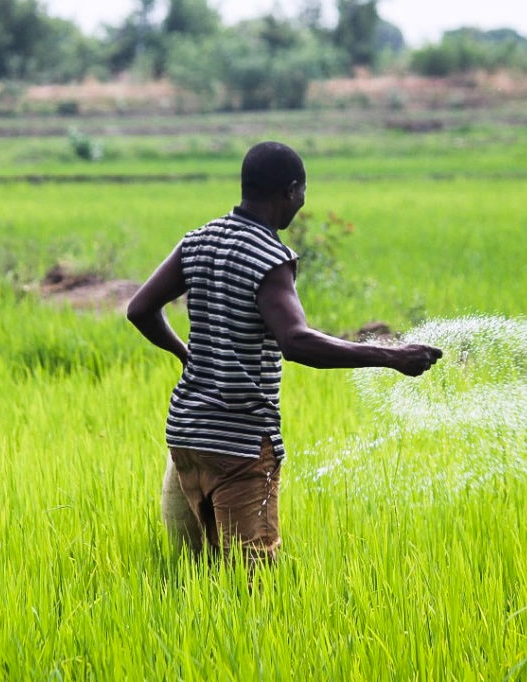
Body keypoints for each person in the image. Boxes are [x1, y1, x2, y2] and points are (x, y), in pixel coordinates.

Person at [126, 141, 442, 568]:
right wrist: (390, 357)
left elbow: (140, 309)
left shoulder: (199, 240)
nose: (303, 200)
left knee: (199, 577)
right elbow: (296, 341)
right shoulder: (270, 257)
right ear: (291, 191)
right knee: (251, 579)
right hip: (238, 444)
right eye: (303, 191)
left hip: (187, 435)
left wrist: (187, 357)